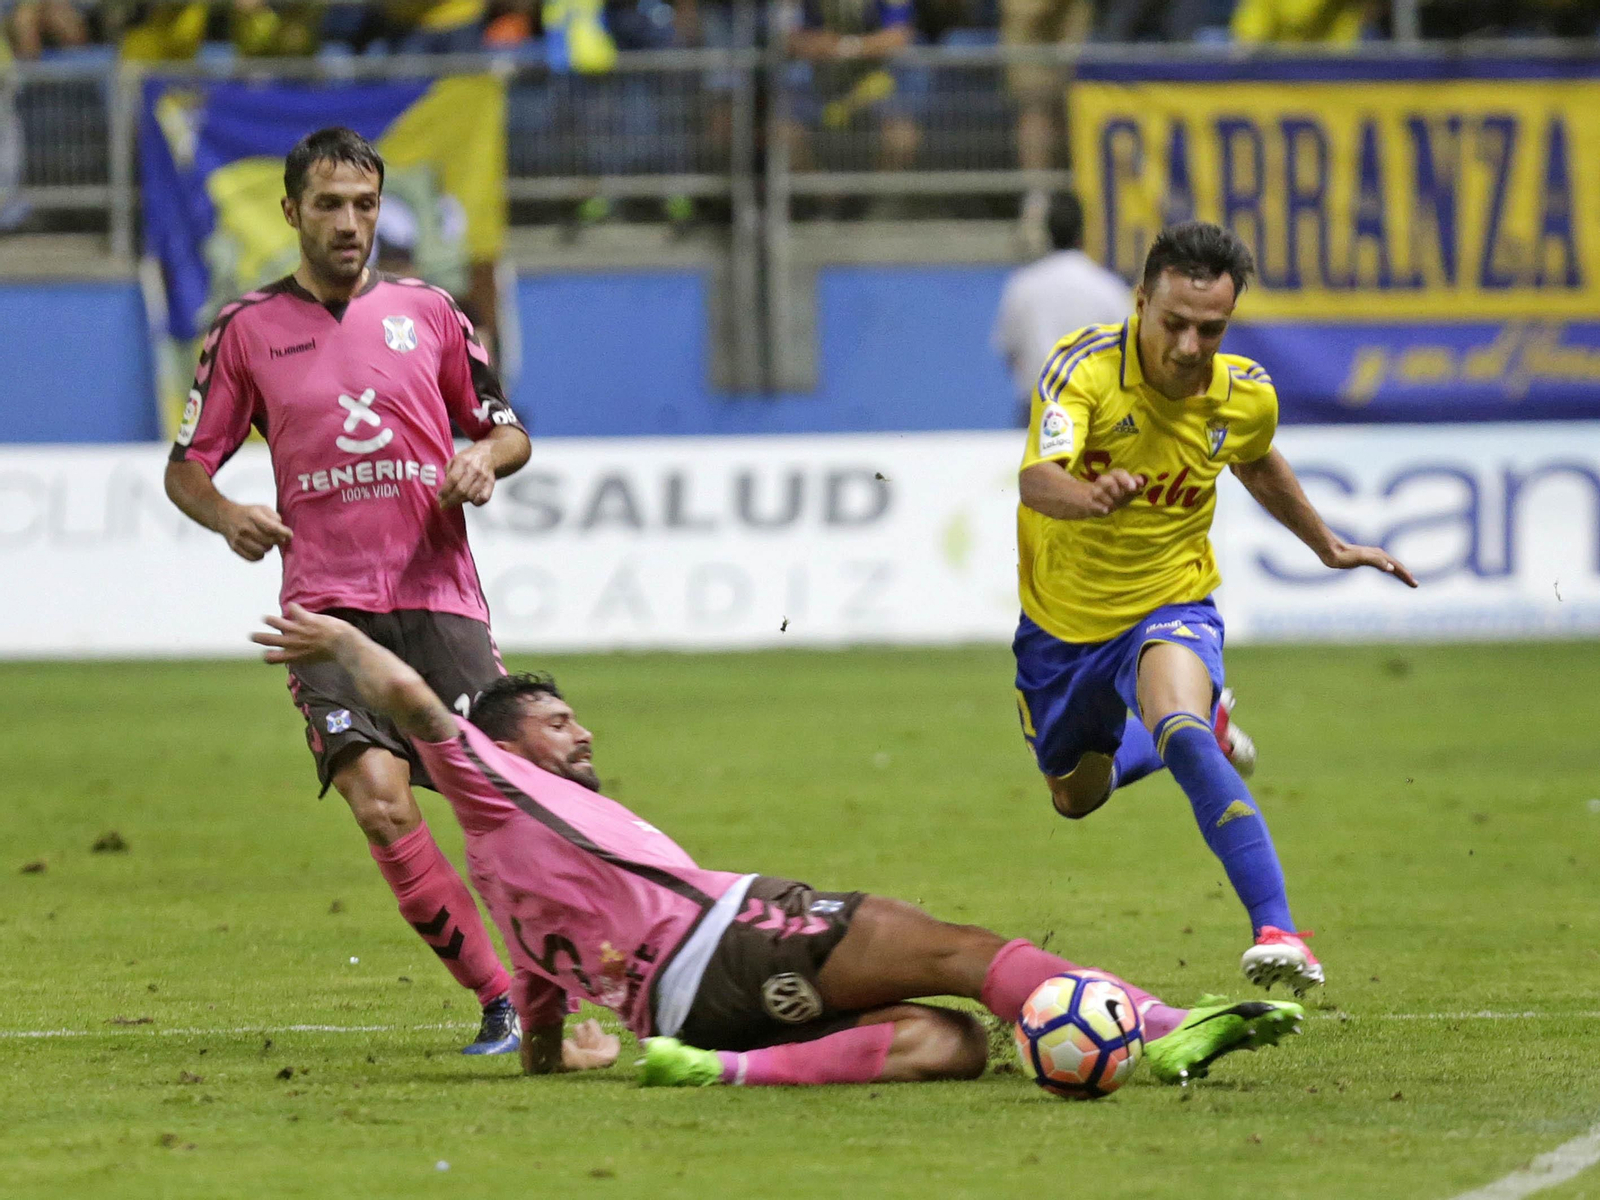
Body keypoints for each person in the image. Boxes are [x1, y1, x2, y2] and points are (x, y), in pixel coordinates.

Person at [251, 604, 1308, 1088]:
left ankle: (728, 1064)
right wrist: (345, 644)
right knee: (959, 951)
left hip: (673, 1001)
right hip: (729, 939)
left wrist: (562, 1052)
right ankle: (1167, 1028)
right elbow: (422, 707)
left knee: (957, 1043)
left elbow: (538, 1025)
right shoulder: (497, 788)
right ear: (508, 745)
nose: (582, 732)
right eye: (561, 721)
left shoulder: (506, 893)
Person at [164, 127, 533, 1056]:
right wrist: (227, 515)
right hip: (326, 611)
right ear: (291, 213)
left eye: (363, 205)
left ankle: (577, 964)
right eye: (328, 205)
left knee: (501, 792)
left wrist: (481, 461)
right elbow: (187, 467)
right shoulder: (246, 329)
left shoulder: (432, 311)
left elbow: (507, 431)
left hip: (437, 594)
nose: (349, 223)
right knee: (379, 799)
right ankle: (499, 999)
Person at [1013, 220, 1419, 995]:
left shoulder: (1244, 393)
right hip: (1061, 630)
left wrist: (1327, 544)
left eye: (1212, 328)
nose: (1192, 345)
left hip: (1171, 600)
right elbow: (1038, 478)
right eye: (1175, 323)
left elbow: (1257, 460)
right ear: (1140, 302)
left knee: (1180, 728)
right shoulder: (1084, 371)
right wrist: (1088, 494)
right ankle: (1209, 729)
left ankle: (1280, 928)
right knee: (1074, 796)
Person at [993, 192, 1132, 427]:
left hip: (1039, 410)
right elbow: (1128, 354)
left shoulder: (1023, 286)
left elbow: (1009, 351)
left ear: (1048, 232)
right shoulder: (1109, 289)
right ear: (1082, 232)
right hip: (1093, 413)